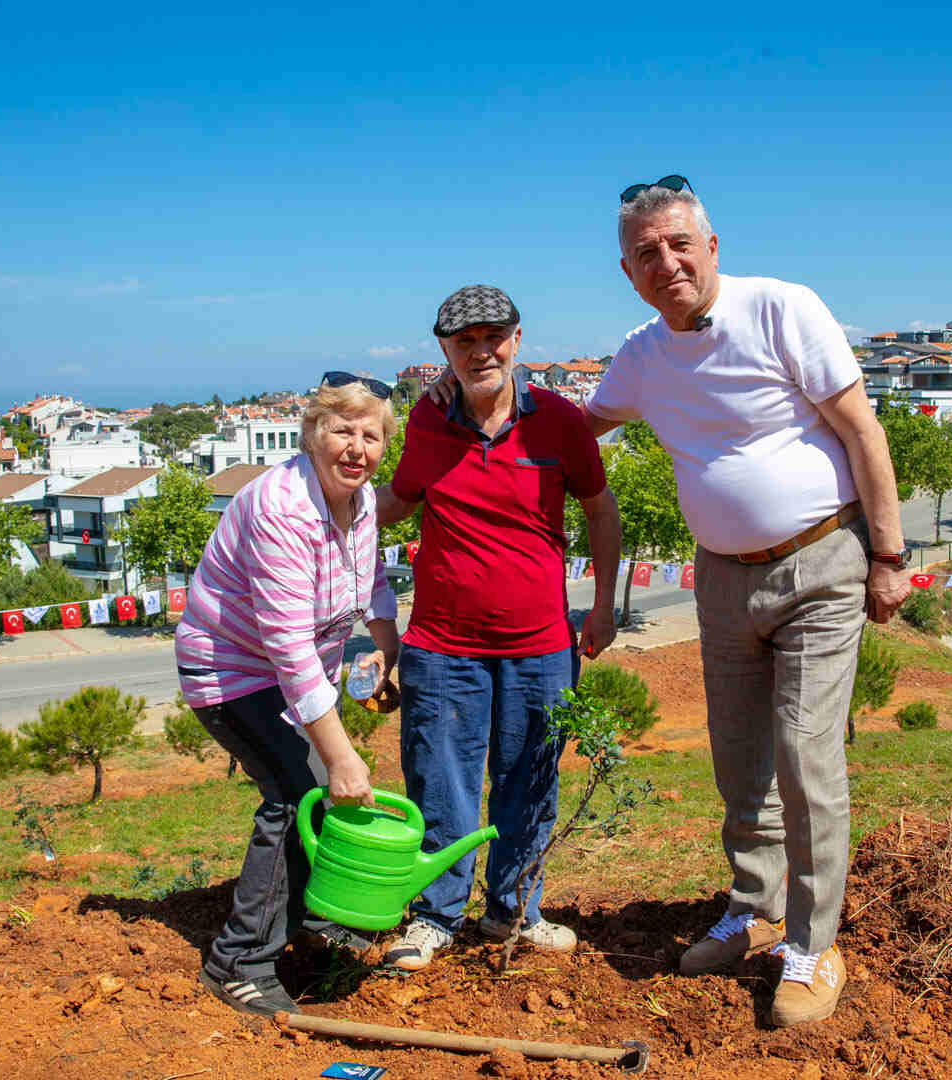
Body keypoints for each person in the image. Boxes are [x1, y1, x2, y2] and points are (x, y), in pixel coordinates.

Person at [584, 176, 912, 1027]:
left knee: (806, 758)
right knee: (738, 761)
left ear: (712, 246)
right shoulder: (641, 354)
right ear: (629, 273)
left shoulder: (783, 309)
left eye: (679, 244)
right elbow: (577, 430)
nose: (667, 263)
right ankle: (755, 908)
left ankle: (813, 941)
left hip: (820, 563)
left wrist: (888, 554)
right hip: (722, 580)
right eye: (646, 254)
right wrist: (478, 407)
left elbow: (862, 430)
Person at [376, 284, 622, 971]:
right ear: (444, 351)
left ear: (517, 340)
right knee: (439, 784)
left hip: (541, 644)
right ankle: (434, 917)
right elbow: (398, 500)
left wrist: (602, 608)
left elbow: (601, 512)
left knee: (530, 781)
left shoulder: (562, 423)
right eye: (464, 342)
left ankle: (514, 911)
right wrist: (328, 510)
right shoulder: (426, 424)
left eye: (493, 337)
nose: (481, 352)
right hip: (441, 645)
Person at [174, 373, 401, 1016]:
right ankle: (238, 961)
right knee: (296, 790)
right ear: (310, 435)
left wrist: (386, 648)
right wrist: (341, 755)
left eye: (371, 435)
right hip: (230, 673)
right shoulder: (280, 508)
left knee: (316, 789)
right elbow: (288, 647)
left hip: (289, 676)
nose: (356, 448)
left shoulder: (359, 503)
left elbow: (373, 581)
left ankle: (310, 918)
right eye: (341, 430)